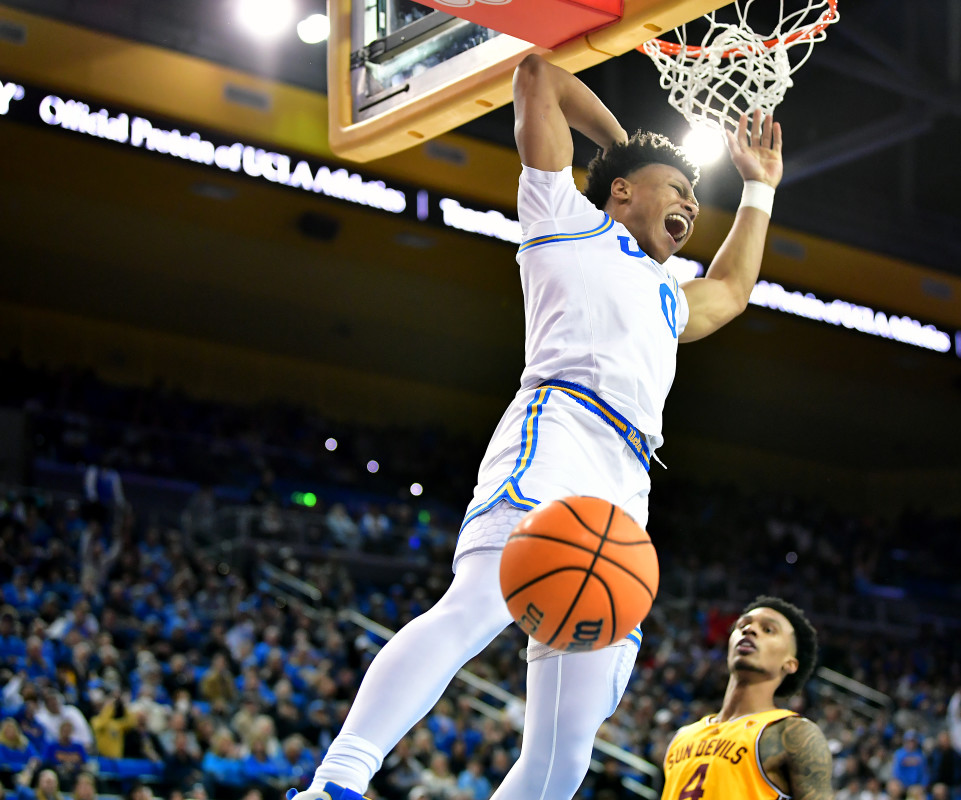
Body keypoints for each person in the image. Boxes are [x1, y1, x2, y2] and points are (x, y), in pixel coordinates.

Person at [287, 51, 783, 800]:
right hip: (558, 429)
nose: (689, 203)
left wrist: (758, 188)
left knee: (568, 743)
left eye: (693, 197)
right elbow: (536, 77)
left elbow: (735, 289)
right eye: (674, 189)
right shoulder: (566, 223)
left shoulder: (671, 295)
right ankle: (338, 783)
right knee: (479, 602)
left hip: (629, 481)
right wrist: (626, 146)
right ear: (620, 193)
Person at [660, 596, 832, 800]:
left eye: (768, 630)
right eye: (743, 625)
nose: (750, 630)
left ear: (790, 663)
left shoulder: (792, 733)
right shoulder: (682, 737)